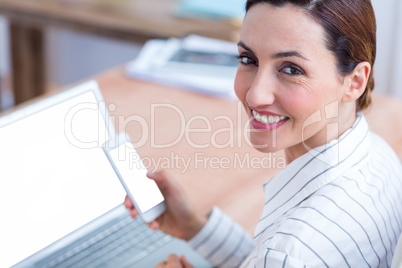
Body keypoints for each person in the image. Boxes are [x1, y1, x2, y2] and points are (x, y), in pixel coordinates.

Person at [125, 0, 402, 267]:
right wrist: (196, 228)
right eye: (249, 59)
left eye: (291, 69)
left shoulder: (292, 251)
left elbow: (284, 257)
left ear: (354, 82)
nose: (255, 95)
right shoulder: (380, 156)